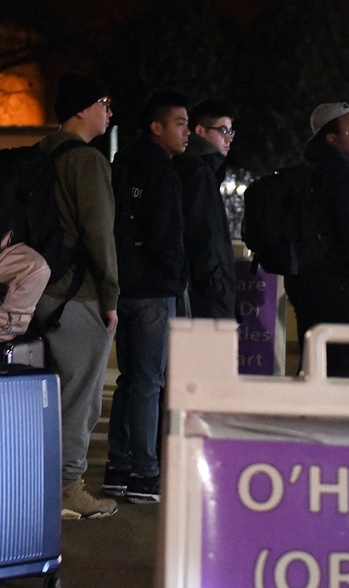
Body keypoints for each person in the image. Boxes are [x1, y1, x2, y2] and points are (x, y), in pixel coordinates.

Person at [29, 75, 121, 519]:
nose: (109, 111)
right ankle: (68, 489)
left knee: (44, 395)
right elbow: (100, 233)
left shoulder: (39, 154)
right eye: (104, 101)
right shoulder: (87, 161)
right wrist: (110, 294)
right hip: (77, 295)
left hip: (35, 291)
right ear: (81, 108)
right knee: (79, 397)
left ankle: (39, 485)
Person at [106, 90, 189, 504]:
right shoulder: (163, 172)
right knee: (149, 383)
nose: (187, 132)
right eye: (180, 124)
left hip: (122, 286)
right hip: (155, 290)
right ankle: (144, 473)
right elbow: (167, 237)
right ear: (157, 127)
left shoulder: (122, 164)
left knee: (129, 381)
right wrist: (177, 276)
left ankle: (117, 467)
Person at [283, 102, 349, 377]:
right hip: (338, 290)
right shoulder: (347, 176)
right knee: (341, 372)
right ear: (331, 138)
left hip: (303, 283)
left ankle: (304, 419)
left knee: (312, 367)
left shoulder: (307, 173)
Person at [173, 100, 236, 319]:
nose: (229, 138)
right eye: (223, 130)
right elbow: (204, 236)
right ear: (200, 130)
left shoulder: (196, 168)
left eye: (231, 131)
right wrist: (216, 285)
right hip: (205, 294)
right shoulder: (199, 172)